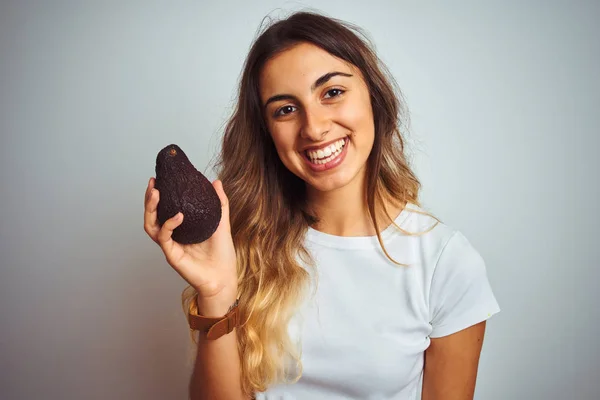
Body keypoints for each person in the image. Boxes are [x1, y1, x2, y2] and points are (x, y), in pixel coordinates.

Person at [143, 11, 500, 400]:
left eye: (332, 92)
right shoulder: (240, 245)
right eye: (286, 109)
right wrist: (215, 291)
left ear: (374, 98)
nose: (313, 128)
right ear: (268, 134)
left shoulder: (445, 261)